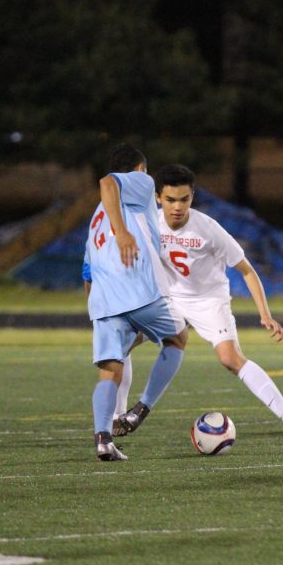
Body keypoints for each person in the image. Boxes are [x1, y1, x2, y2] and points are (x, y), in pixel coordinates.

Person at [112, 164, 283, 439]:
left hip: (209, 301)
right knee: (118, 343)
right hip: (169, 299)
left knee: (231, 359)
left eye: (184, 199)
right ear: (158, 198)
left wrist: (265, 314)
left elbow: (246, 269)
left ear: (192, 197)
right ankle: (120, 417)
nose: (177, 207)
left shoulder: (208, 229)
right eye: (171, 199)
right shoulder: (148, 222)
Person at [82, 144, 189, 461]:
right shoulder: (139, 182)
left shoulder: (94, 219)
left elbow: (87, 270)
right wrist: (122, 232)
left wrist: (98, 313)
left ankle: (103, 440)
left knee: (110, 368)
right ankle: (140, 410)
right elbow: (107, 183)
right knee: (178, 338)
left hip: (104, 301)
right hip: (138, 290)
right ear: (140, 170)